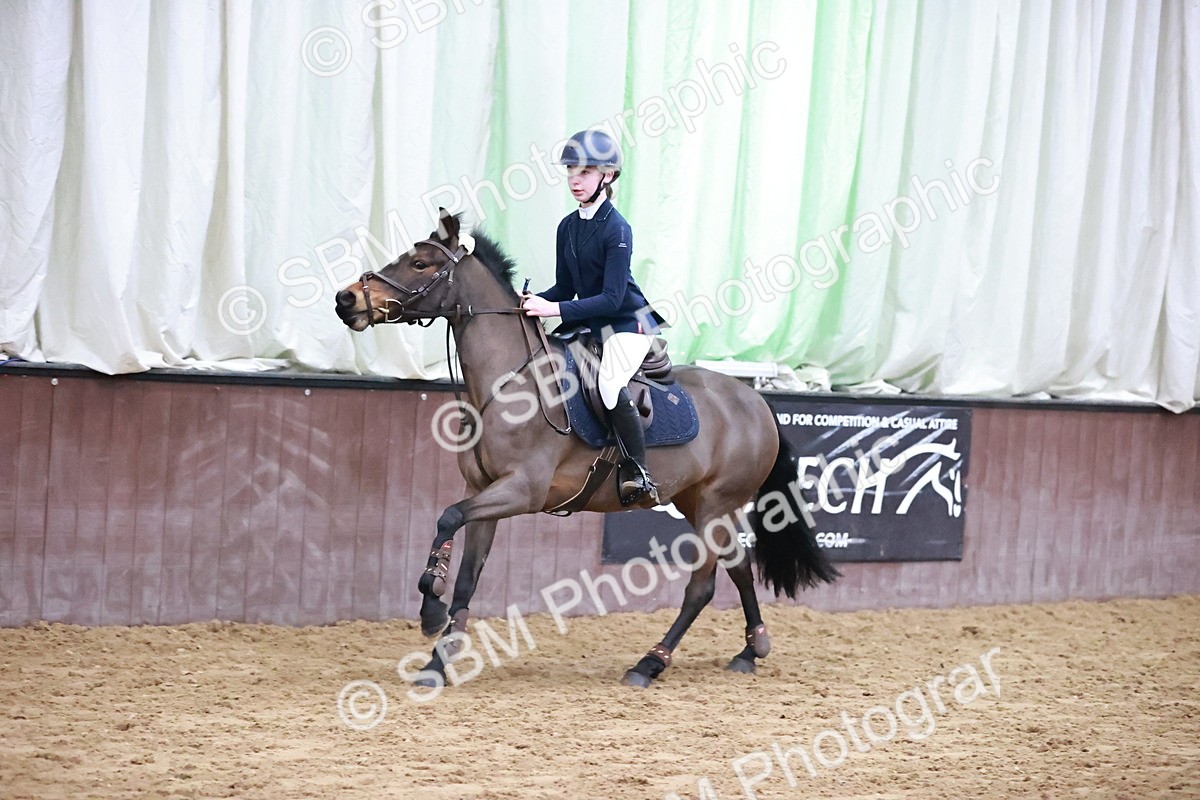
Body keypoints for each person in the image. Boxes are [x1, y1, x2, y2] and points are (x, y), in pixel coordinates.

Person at [521, 129, 664, 506]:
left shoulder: (618, 229)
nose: (574, 179)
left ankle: (639, 470)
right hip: (591, 321)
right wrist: (535, 299)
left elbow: (612, 297)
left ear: (608, 176)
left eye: (584, 172)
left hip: (627, 322)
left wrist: (553, 310)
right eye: (571, 170)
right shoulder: (567, 226)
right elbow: (564, 289)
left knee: (609, 383)